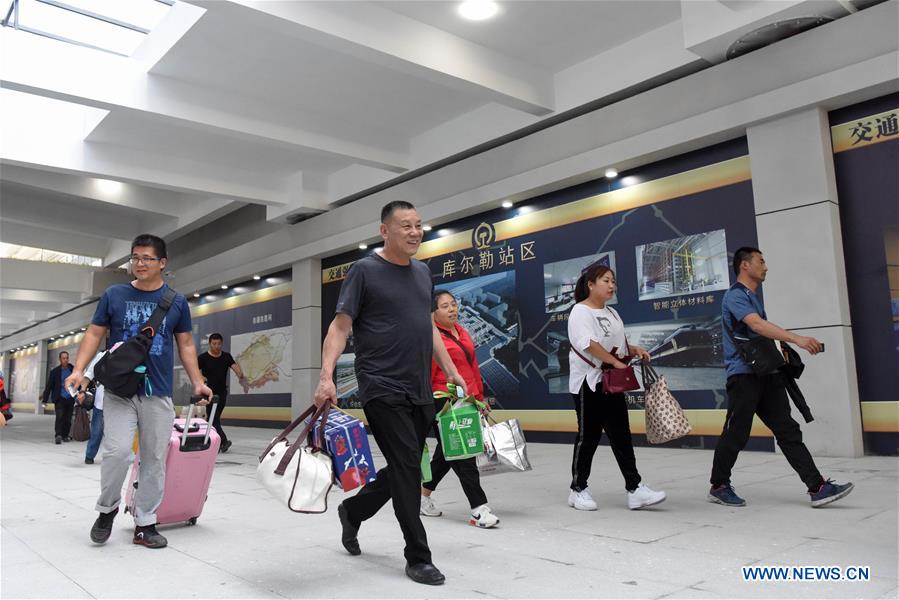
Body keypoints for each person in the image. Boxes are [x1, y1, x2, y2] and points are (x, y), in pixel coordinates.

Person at [313, 201, 467, 586]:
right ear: (385, 231)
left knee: (407, 466)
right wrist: (326, 375)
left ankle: (354, 510)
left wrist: (451, 370)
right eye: (405, 226)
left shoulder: (421, 272)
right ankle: (418, 555)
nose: (415, 232)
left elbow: (427, 327)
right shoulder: (365, 270)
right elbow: (340, 326)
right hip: (380, 385)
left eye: (419, 225)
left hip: (419, 388)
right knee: (408, 466)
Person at [66, 234, 213, 549]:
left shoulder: (175, 301)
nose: (139, 263)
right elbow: (94, 333)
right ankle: (107, 510)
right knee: (117, 452)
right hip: (120, 390)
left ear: (162, 263)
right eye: (135, 257)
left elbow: (186, 344)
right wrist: (79, 369)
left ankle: (145, 522)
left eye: (147, 258)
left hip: (158, 392)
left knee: (154, 459)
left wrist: (198, 380)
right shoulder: (114, 295)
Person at [709, 247, 854, 508]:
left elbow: (760, 332)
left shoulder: (751, 296)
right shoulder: (735, 296)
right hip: (743, 376)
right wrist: (797, 339)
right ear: (745, 265)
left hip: (766, 374)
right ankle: (719, 485)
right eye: (761, 261)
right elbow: (757, 326)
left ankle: (817, 487)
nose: (766, 266)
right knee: (736, 433)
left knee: (788, 430)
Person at [567, 262, 667, 511]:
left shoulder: (612, 313)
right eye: (606, 281)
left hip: (611, 383)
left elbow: (618, 343)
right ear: (590, 284)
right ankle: (578, 489)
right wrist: (613, 362)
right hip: (588, 384)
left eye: (613, 281)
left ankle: (635, 488)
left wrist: (634, 350)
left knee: (621, 435)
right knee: (587, 437)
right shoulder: (580, 312)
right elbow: (588, 344)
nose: (612, 285)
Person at [420, 290, 499, 528]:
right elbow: (426, 375)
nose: (452, 309)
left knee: (446, 454)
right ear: (433, 313)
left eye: (453, 304)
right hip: (443, 400)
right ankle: (479, 509)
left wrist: (479, 398)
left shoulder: (462, 331)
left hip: (466, 399)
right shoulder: (430, 339)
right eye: (445, 306)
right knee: (462, 453)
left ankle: (422, 498)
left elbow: (473, 367)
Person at [197, 332, 246, 453]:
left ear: (222, 343)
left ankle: (211, 441)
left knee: (214, 418)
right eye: (214, 344)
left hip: (222, 393)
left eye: (219, 344)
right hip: (208, 393)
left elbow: (234, 366)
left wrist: (240, 374)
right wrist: (201, 378)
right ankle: (223, 441)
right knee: (213, 418)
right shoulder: (203, 358)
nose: (217, 346)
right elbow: (195, 372)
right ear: (210, 344)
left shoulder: (226, 356)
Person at [43, 351, 75, 444]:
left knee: (68, 419)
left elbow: (78, 382)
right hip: (59, 398)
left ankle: (65, 435)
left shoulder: (72, 369)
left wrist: (79, 393)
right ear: (60, 359)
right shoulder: (55, 372)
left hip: (70, 398)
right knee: (60, 417)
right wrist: (45, 399)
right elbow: (49, 386)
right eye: (63, 358)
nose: (65, 360)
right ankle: (58, 435)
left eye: (67, 358)